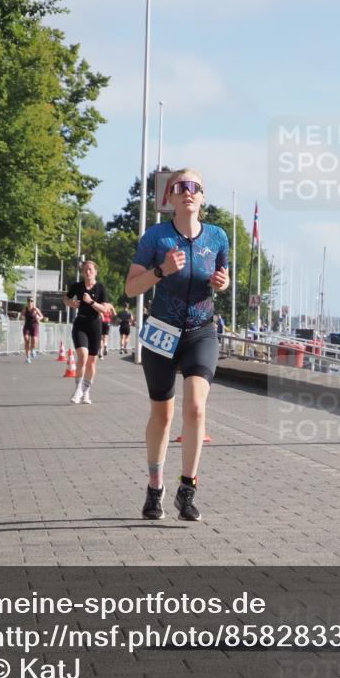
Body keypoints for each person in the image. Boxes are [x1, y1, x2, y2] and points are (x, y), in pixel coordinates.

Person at [124, 168, 229, 522]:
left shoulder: (217, 237)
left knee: (196, 408)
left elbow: (222, 279)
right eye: (180, 187)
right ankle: (155, 488)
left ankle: (188, 488)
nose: (187, 192)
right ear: (169, 198)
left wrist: (223, 282)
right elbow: (130, 288)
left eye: (194, 187)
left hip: (201, 330)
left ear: (202, 198)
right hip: (162, 332)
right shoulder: (155, 237)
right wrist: (161, 271)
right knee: (163, 415)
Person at [64, 260, 115, 404]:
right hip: (80, 323)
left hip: (95, 325)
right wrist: (71, 303)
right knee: (82, 356)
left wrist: (91, 301)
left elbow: (105, 309)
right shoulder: (78, 286)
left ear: (95, 272)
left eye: (90, 269)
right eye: (85, 269)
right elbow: (66, 298)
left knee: (92, 362)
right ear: (82, 272)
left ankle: (86, 392)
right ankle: (78, 389)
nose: (88, 272)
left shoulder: (101, 288)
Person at [21, 296, 42, 363]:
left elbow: (41, 316)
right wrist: (23, 317)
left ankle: (33, 350)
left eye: (31, 301)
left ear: (33, 302)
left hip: (34, 326)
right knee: (26, 341)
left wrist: (38, 319)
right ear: (27, 302)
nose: (30, 302)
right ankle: (28, 358)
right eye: (29, 300)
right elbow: (21, 316)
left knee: (34, 341)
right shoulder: (25, 309)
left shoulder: (35, 309)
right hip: (27, 326)